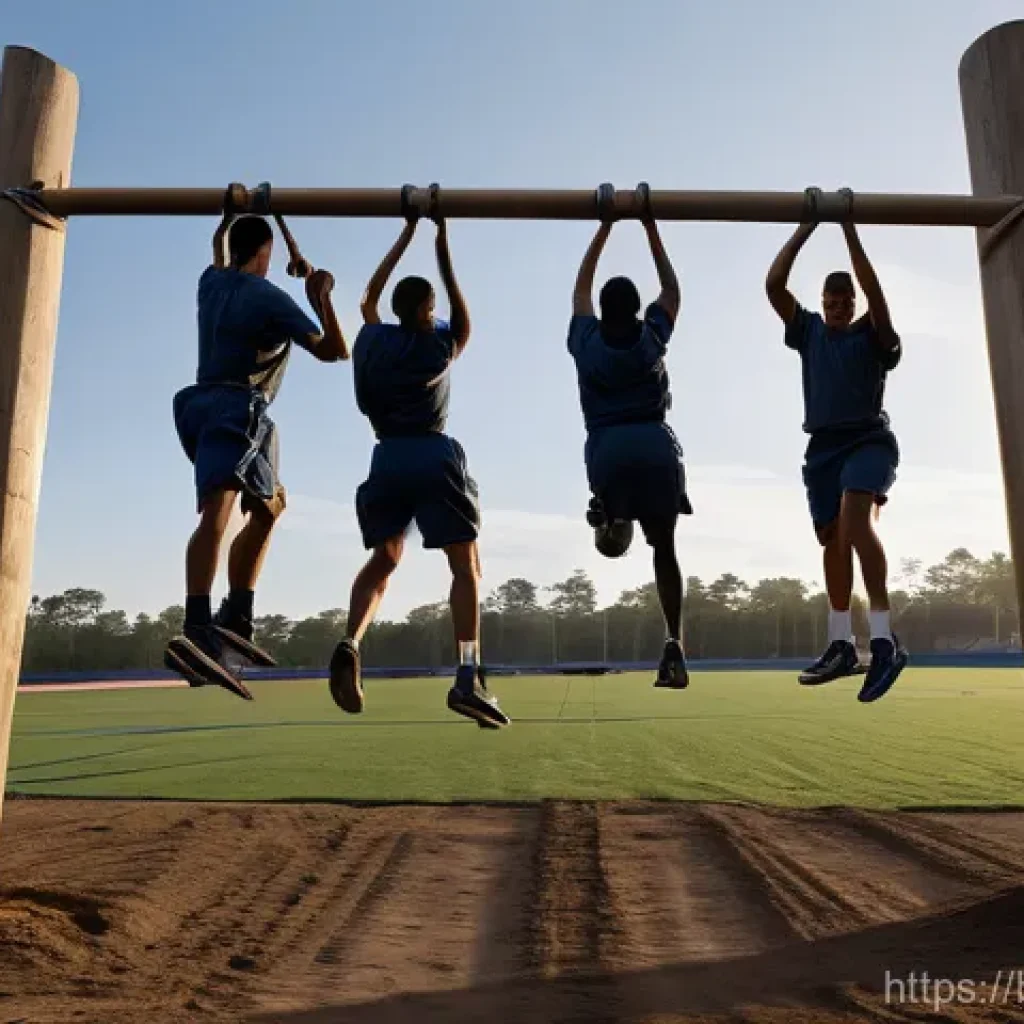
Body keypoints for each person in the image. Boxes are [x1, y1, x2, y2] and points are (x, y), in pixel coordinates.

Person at [327, 191, 509, 729]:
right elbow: (460, 310)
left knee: (384, 561)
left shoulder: (371, 339)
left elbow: (369, 296)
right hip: (432, 453)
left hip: (386, 458)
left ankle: (351, 641)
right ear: (428, 311)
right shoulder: (438, 346)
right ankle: (468, 675)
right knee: (465, 565)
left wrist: (404, 233)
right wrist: (440, 238)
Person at [165, 187, 348, 700]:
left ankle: (236, 616)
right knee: (218, 513)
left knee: (270, 506)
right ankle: (199, 621)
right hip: (235, 408)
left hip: (211, 409)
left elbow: (217, 247)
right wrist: (322, 299)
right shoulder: (269, 297)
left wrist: (228, 216)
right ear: (265, 252)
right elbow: (336, 352)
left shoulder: (211, 281)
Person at [765, 187, 908, 703]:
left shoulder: (872, 333)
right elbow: (774, 285)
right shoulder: (809, 333)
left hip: (868, 441)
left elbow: (877, 295)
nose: (837, 308)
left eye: (844, 302)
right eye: (830, 302)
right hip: (821, 450)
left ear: (854, 305)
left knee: (854, 517)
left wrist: (847, 226)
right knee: (832, 542)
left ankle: (887, 640)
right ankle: (841, 644)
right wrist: (806, 226)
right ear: (823, 305)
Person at [567, 183, 691, 689]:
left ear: (602, 309)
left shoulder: (586, 340)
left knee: (615, 539)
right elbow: (673, 291)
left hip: (609, 451)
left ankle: (612, 520)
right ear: (638, 310)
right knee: (664, 548)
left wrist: (604, 225)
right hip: (655, 448)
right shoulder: (652, 337)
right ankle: (674, 641)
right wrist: (649, 225)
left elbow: (579, 289)